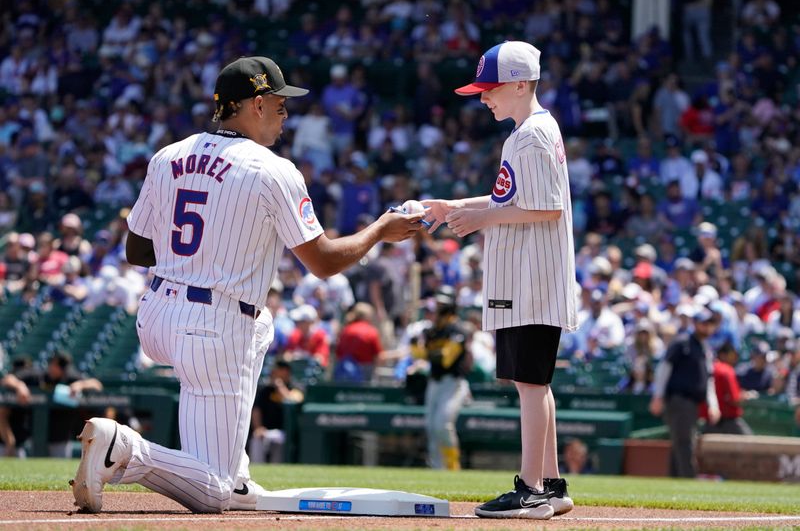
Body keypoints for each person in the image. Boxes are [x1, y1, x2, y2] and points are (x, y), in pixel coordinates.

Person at [71, 55, 425, 514]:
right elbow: (323, 262)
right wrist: (381, 228)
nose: (284, 115)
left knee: (261, 324)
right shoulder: (271, 169)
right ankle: (125, 449)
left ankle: (234, 475)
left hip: (158, 313)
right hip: (213, 325)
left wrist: (195, 260)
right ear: (255, 104)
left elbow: (136, 253)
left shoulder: (168, 155)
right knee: (212, 492)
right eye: (279, 105)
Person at [423, 41, 578, 520]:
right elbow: (509, 198)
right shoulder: (534, 129)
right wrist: (456, 207)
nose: (483, 97)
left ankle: (530, 489)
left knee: (530, 384)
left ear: (517, 83)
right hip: (532, 274)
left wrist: (481, 220)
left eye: (489, 89)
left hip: (532, 276)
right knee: (535, 383)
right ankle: (550, 485)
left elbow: (546, 207)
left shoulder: (529, 135)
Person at [649, 308, 721, 478]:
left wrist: (713, 404)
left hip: (692, 403)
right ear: (695, 324)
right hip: (679, 400)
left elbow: (709, 379)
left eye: (709, 324)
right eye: (703, 323)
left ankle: (675, 481)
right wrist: (658, 396)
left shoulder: (704, 348)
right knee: (684, 443)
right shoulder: (682, 343)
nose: (707, 327)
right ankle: (688, 480)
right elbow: (664, 369)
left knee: (681, 443)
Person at [410, 286, 472, 470]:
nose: (437, 307)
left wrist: (425, 351)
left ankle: (452, 467)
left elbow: (446, 359)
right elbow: (419, 355)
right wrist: (416, 344)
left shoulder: (459, 329)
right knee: (431, 426)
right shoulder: (432, 330)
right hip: (435, 382)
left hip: (453, 383)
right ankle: (437, 468)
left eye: (441, 304)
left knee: (443, 425)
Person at [249, 358, 303, 464]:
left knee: (279, 441)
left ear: (285, 371)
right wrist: (258, 427)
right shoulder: (266, 390)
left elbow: (293, 401)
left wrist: (279, 386)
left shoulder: (295, 387)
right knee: (257, 438)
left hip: (285, 432)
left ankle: (277, 468)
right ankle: (256, 468)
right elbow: (256, 409)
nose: (272, 372)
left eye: (276, 369)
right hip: (266, 431)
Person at [700, 343, 753, 435]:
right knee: (752, 446)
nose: (735, 358)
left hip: (710, 421)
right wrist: (745, 397)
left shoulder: (708, 368)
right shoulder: (726, 370)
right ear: (723, 355)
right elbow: (735, 399)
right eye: (732, 355)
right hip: (729, 422)